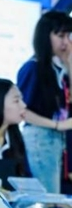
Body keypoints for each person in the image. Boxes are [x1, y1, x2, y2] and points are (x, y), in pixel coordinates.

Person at [17, 10, 72, 193]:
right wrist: (57, 125)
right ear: (45, 36)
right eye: (60, 36)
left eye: (68, 36)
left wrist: (69, 63)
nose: (66, 42)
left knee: (55, 195)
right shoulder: (33, 68)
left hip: (56, 139)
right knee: (48, 196)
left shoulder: (59, 68)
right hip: (41, 137)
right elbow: (23, 111)